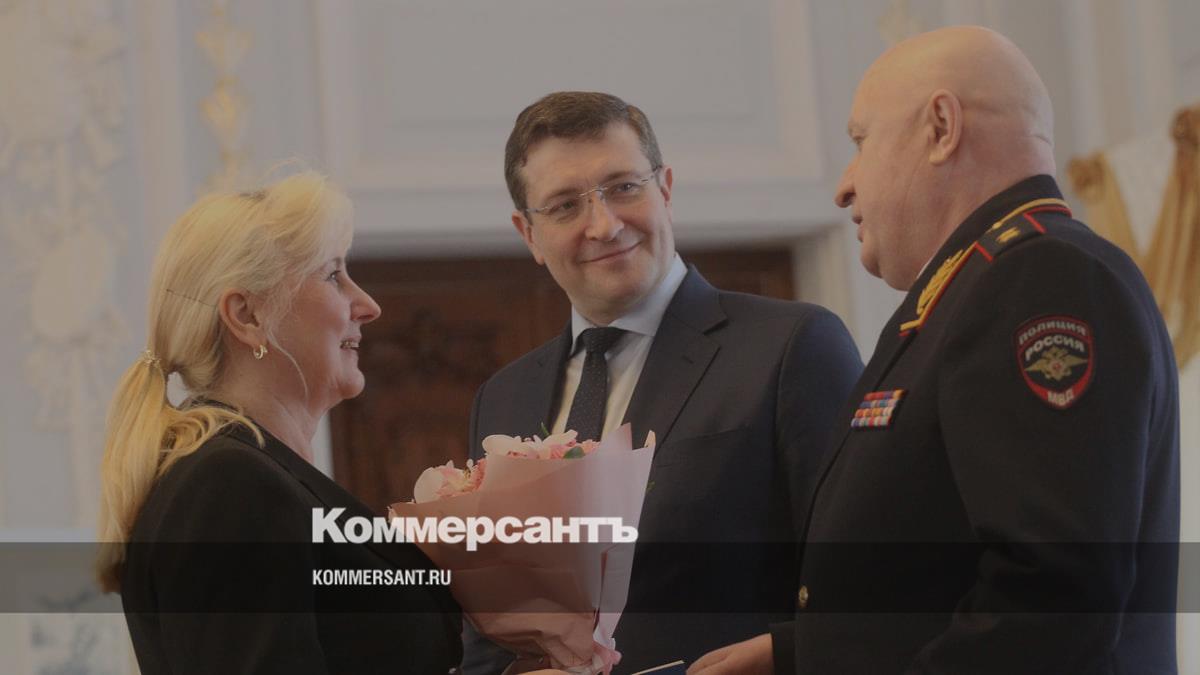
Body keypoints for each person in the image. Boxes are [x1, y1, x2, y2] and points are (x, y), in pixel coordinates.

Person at [690, 26, 1180, 674]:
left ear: (941, 127)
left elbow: (1050, 600)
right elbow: (943, 568)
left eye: (860, 142)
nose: (844, 185)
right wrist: (800, 652)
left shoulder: (1040, 278)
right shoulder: (974, 287)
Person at [462, 91, 864, 673]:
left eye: (624, 187)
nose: (604, 225)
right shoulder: (502, 398)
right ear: (529, 234)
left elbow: (869, 580)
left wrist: (784, 653)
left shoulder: (791, 347)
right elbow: (488, 630)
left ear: (666, 190)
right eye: (566, 206)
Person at [95, 172, 463, 674]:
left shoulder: (248, 477)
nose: (369, 306)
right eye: (332, 276)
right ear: (247, 315)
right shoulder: (229, 485)